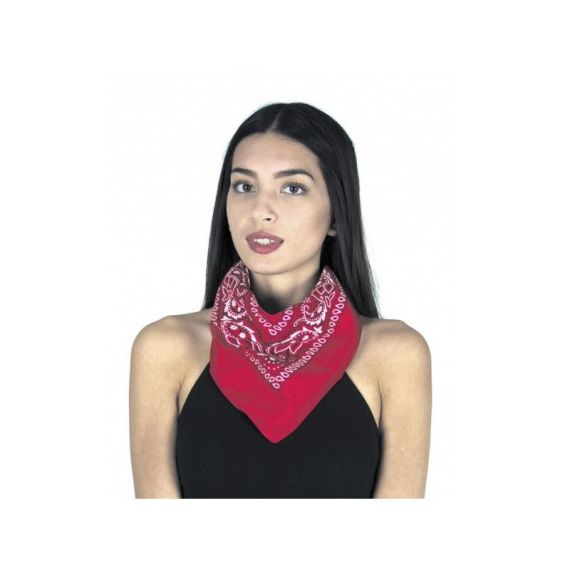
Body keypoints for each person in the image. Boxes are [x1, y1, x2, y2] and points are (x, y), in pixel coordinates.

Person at [129, 102, 432, 498]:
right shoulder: (165, 348)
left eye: (293, 188)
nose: (261, 211)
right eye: (244, 186)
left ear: (336, 215)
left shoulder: (395, 355)